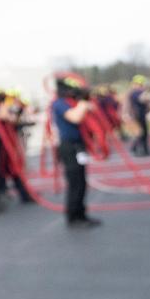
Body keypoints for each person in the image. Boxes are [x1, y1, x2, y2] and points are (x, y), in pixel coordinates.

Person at [51, 75, 101, 228]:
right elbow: (75, 117)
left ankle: (81, 214)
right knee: (75, 183)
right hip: (69, 147)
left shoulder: (70, 102)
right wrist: (84, 102)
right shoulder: (59, 103)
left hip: (78, 145)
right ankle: (73, 217)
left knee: (81, 182)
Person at [128, 74, 150, 156]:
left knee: (144, 133)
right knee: (141, 133)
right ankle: (137, 149)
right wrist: (148, 95)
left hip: (141, 115)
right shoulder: (135, 92)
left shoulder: (139, 92)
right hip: (137, 115)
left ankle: (142, 149)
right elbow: (143, 99)